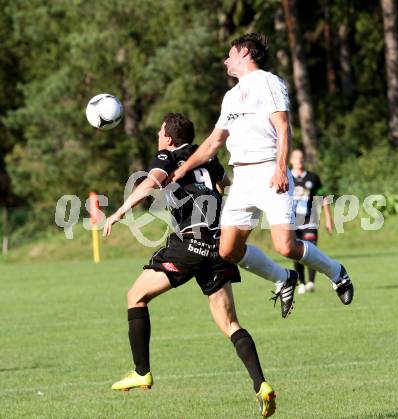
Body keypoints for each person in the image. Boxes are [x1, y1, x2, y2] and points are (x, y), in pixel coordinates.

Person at [103, 113, 276, 418]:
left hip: (189, 243)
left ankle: (141, 371)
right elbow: (225, 184)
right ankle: (261, 384)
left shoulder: (167, 155)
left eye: (159, 132)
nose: (158, 136)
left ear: (169, 138)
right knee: (229, 323)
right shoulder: (206, 157)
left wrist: (120, 212)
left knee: (135, 297)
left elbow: (151, 182)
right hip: (217, 245)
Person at [173, 33, 354, 307]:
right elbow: (213, 143)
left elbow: (283, 127)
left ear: (244, 53)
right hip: (242, 179)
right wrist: (182, 168)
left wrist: (281, 168)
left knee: (286, 246)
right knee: (228, 250)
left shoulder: (268, 82)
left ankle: (335, 271)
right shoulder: (231, 96)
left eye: (230, 54)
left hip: (270, 173)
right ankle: (283, 278)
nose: (225, 60)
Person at [290, 148, 333, 294]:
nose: (299, 161)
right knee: (296, 251)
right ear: (291, 160)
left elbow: (324, 198)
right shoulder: (286, 176)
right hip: (292, 221)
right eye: (296, 158)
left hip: (309, 220)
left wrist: (329, 219)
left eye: (301, 158)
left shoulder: (313, 178)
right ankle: (301, 282)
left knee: (311, 249)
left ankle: (311, 282)